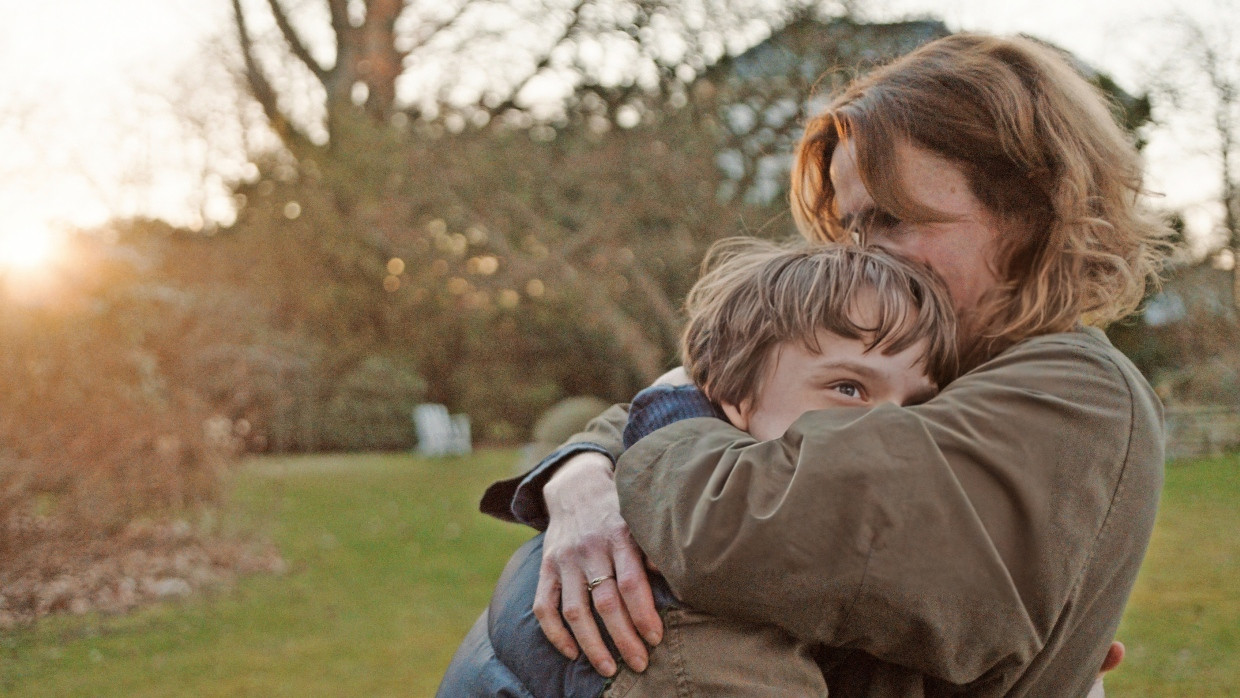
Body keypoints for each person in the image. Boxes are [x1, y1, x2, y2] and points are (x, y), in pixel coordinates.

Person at [480, 32, 1170, 696]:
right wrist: (581, 478)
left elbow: (750, 521)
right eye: (852, 225)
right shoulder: (932, 361)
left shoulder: (1078, 390)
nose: (862, 256)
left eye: (892, 219)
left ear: (1030, 207)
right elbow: (734, 392)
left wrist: (658, 418)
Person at [438, 239, 960, 696]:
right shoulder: (682, 629)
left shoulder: (733, 538)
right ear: (732, 395)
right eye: (848, 388)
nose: (899, 432)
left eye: (917, 406)